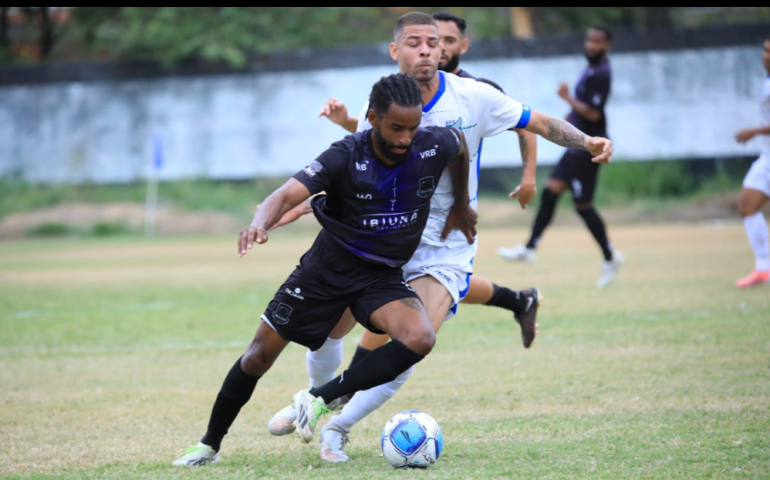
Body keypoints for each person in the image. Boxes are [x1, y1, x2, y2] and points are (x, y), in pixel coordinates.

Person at [269, 12, 613, 464]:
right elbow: (355, 161)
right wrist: (298, 205)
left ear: (451, 49)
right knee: (334, 331)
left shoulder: (474, 96)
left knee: (413, 343)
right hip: (383, 242)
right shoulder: (388, 99)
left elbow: (537, 123)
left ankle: (334, 422)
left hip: (444, 245)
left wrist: (587, 141)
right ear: (396, 51)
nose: (430, 49)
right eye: (417, 42)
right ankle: (320, 396)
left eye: (437, 42)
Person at [172, 73, 476, 466]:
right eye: (395, 128)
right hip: (324, 271)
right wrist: (258, 224)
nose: (404, 138)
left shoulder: (433, 144)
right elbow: (284, 194)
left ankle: (320, 398)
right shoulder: (345, 155)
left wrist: (460, 204)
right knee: (257, 358)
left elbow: (461, 146)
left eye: (412, 128)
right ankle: (208, 445)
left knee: (420, 338)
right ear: (372, 117)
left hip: (380, 277)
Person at [498, 26, 624, 289]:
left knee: (583, 206)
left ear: (607, 46)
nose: (592, 45)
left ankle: (611, 257)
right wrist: (570, 118)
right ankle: (530, 247)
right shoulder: (591, 69)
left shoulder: (602, 72)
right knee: (550, 190)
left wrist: (567, 98)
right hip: (577, 147)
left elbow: (593, 115)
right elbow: (583, 112)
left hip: (591, 147)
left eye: (598, 42)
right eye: (589, 39)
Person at [734, 35, 770, 289]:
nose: (766, 56)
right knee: (748, 205)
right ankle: (763, 268)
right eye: (765, 50)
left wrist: (754, 131)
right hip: (767, 156)